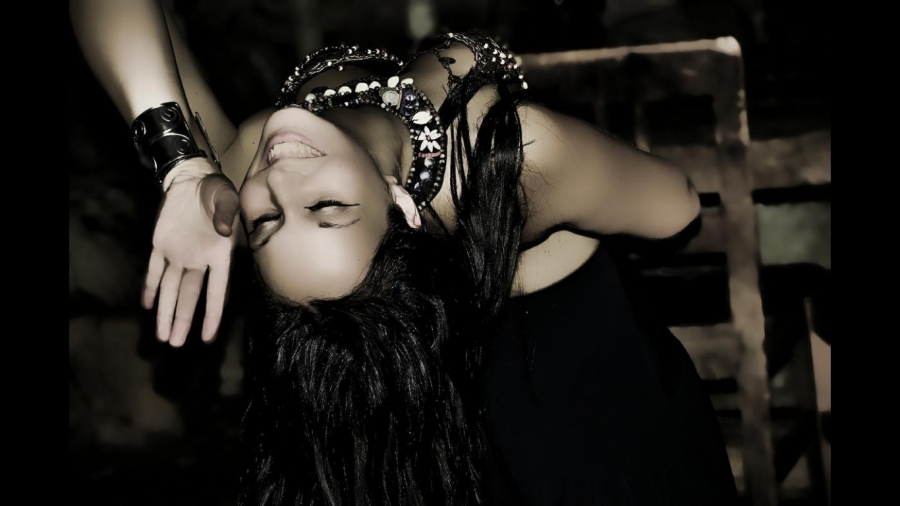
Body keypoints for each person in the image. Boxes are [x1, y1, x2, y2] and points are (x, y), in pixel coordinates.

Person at [71, 1, 739, 504]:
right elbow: (678, 207)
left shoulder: (246, 166)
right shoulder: (508, 165)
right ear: (402, 206)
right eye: (327, 209)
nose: (278, 181)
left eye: (267, 221)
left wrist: (182, 166)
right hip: (594, 426)